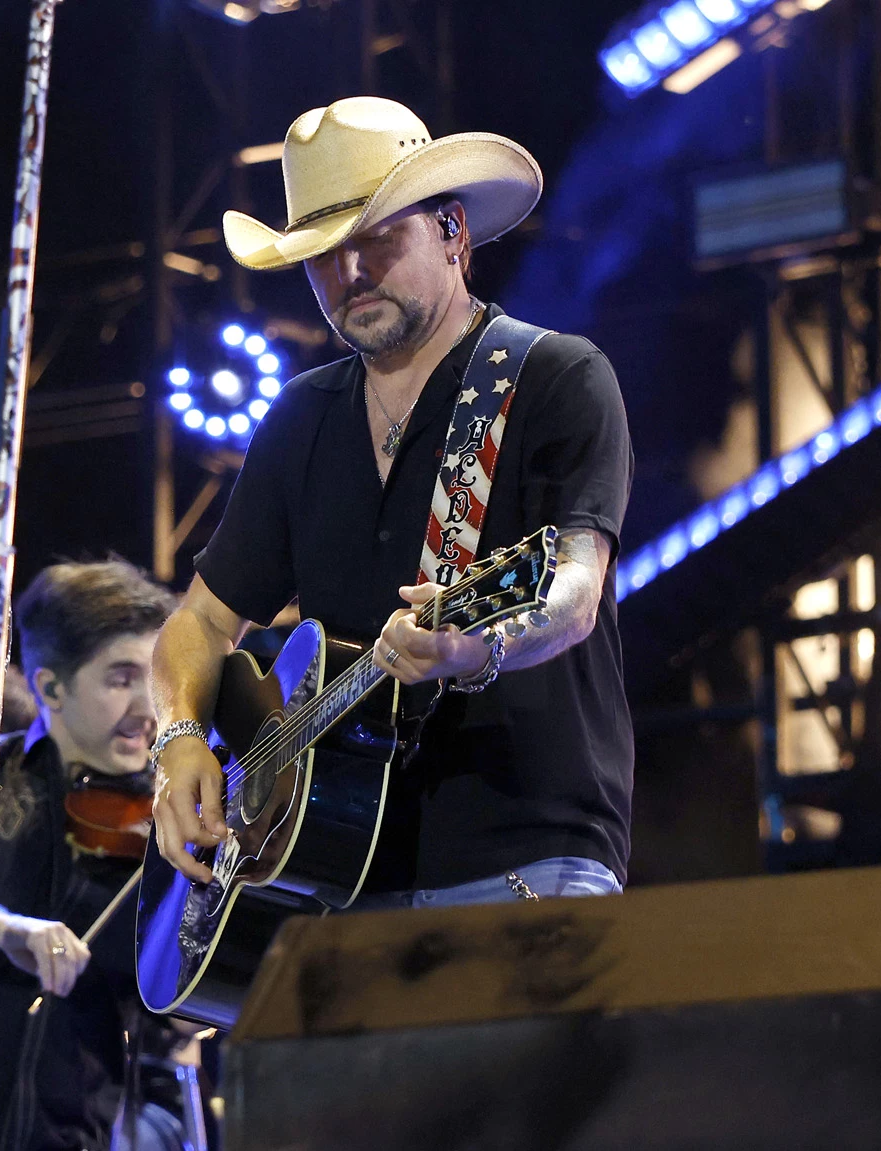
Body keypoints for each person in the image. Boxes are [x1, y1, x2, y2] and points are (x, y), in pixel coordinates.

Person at [150, 96, 634, 911]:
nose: (349, 273)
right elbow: (197, 621)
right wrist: (179, 738)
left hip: (523, 845)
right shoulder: (299, 418)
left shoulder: (556, 378)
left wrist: (476, 648)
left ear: (452, 230)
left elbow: (573, 588)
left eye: (377, 238)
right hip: (332, 880)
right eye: (323, 254)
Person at [0, 560, 186, 1151]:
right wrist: (6, 929)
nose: (148, 710)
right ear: (51, 688)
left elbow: (172, 1016)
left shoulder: (165, 826)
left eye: (155, 681)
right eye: (121, 679)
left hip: (71, 1132)